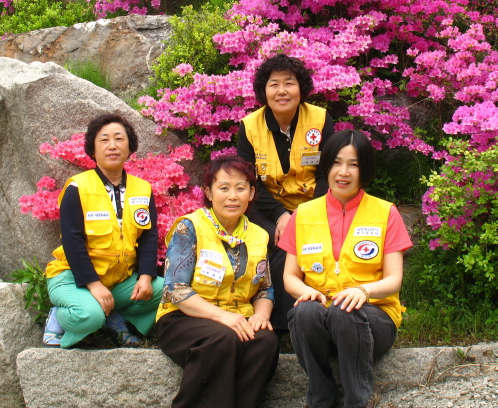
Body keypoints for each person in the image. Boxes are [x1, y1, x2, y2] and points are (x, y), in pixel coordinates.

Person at [279, 130, 412, 408]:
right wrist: (306, 292)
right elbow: (290, 277)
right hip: (321, 320)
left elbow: (394, 279)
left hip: (372, 322)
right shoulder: (302, 214)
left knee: (344, 310)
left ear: (365, 170)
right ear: (326, 166)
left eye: (354, 164)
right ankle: (320, 397)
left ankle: (360, 399)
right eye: (337, 163)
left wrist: (363, 291)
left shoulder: (386, 212)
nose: (344, 172)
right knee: (303, 310)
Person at [155, 157, 280, 408]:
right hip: (184, 318)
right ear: (209, 193)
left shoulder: (258, 235)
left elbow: (265, 288)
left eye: (240, 188)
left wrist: (261, 316)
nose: (232, 196)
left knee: (265, 341)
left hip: (236, 319)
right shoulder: (189, 227)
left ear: (252, 193)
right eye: (224, 188)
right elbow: (175, 290)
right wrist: (223, 317)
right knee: (223, 338)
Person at [42, 113, 163, 348]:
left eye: (119, 139)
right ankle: (61, 315)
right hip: (73, 278)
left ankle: (114, 318)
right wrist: (94, 285)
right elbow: (72, 241)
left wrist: (146, 277)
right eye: (104, 140)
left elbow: (148, 237)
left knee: (162, 291)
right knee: (89, 315)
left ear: (130, 147)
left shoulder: (142, 189)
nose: (112, 146)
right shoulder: (78, 187)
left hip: (117, 281)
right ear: (93, 150)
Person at [237, 53, 335, 331]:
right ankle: (282, 326)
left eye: (289, 83)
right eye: (274, 84)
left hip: (315, 206)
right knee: (278, 245)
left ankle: (308, 316)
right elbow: (250, 181)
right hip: (266, 208)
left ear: (300, 88)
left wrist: (304, 215)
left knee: (301, 243)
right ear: (263, 91)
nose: (282, 91)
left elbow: (327, 173)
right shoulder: (248, 127)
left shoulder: (320, 119)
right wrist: (281, 215)